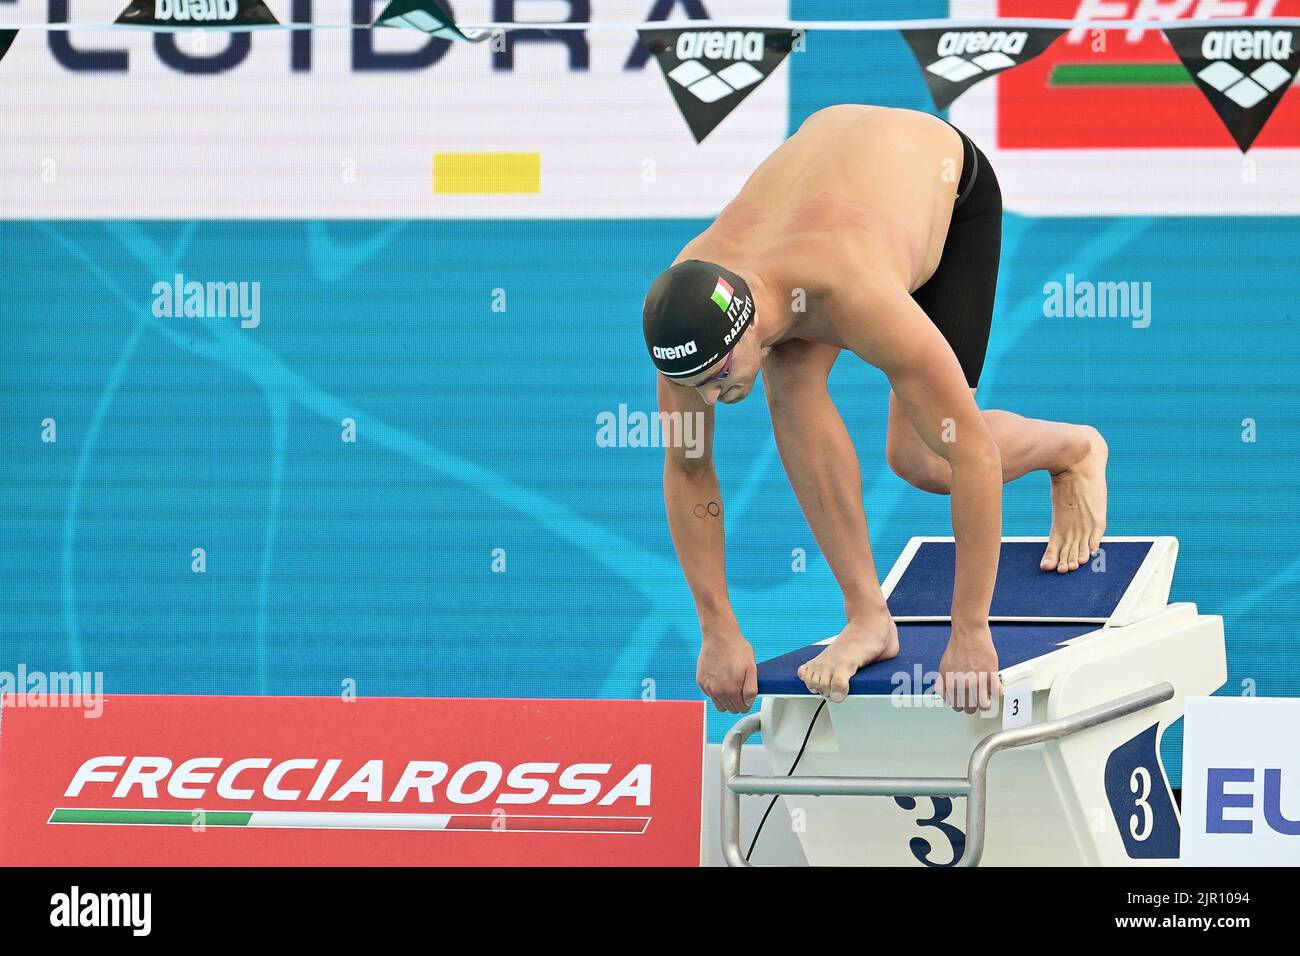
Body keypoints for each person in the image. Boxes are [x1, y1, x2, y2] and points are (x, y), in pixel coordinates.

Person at [642, 105, 1107, 715]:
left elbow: (969, 452)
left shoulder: (852, 290)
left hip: (944, 187)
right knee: (791, 379)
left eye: (718, 377)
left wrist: (968, 631)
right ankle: (868, 616)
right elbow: (689, 471)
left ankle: (1075, 448)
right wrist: (718, 628)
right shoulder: (691, 320)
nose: (708, 398)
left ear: (749, 324)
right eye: (695, 385)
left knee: (923, 458)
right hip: (828, 186)